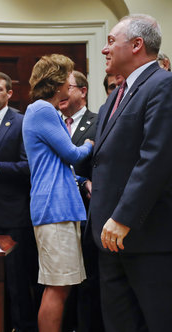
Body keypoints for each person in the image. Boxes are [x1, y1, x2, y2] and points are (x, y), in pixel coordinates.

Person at [90, 14, 172, 332]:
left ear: (137, 45)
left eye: (111, 41)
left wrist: (122, 217)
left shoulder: (162, 86)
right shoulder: (116, 95)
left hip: (145, 237)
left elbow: (156, 159)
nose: (104, 49)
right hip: (109, 239)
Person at [22, 54, 93, 332]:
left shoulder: (40, 110)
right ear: (57, 82)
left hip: (56, 205)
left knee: (62, 285)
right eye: (67, 77)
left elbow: (55, 162)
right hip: (54, 207)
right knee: (58, 287)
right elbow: (71, 153)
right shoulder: (42, 109)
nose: (69, 83)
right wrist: (89, 144)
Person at [0, 72, 38, 332]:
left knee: (16, 281)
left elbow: (28, 167)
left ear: (9, 94)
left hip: (12, 215)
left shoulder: (21, 122)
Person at [58, 70, 103, 332]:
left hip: (87, 211)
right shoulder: (52, 121)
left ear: (83, 91)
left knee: (88, 278)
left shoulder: (98, 121)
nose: (61, 94)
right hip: (59, 211)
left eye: (67, 88)